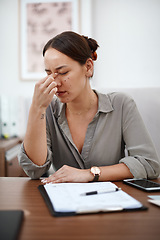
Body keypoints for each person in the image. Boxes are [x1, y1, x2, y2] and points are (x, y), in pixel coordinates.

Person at [18, 31, 160, 183]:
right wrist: (36, 108)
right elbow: (34, 170)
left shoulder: (121, 104)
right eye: (49, 74)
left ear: (88, 67)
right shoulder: (47, 110)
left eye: (63, 72)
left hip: (112, 200)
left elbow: (149, 164)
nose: (56, 83)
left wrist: (89, 174)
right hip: (65, 201)